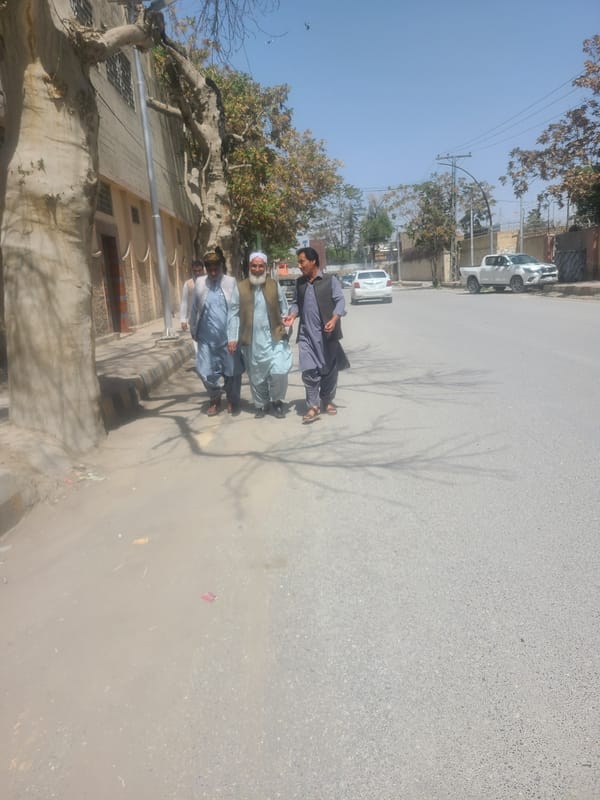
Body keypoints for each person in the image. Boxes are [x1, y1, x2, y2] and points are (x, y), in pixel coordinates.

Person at [283, 247, 348, 424]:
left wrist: (334, 319)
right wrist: (292, 315)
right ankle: (313, 406)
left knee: (329, 371)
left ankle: (327, 400)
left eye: (302, 261)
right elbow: (295, 303)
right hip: (306, 335)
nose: (299, 265)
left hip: (327, 335)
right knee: (308, 370)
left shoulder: (329, 280)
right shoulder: (299, 283)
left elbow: (340, 301)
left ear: (313, 261)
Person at [238, 251, 292, 419]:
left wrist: (287, 319)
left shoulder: (273, 285)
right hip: (252, 339)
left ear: (266, 268)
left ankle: (277, 401)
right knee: (256, 374)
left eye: (261, 266)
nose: (257, 269)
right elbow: (233, 313)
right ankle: (262, 404)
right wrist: (232, 337)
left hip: (275, 337)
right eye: (254, 266)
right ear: (249, 267)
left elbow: (284, 306)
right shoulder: (240, 287)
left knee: (280, 370)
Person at [189, 247, 242, 416]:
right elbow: (193, 308)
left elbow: (235, 311)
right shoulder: (200, 283)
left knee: (232, 372)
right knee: (204, 371)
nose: (213, 272)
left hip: (227, 337)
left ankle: (232, 399)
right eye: (210, 269)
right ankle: (215, 396)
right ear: (206, 268)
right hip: (205, 337)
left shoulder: (230, 282)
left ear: (221, 267)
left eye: (216, 268)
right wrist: (192, 328)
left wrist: (233, 336)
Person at [180, 260, 204, 353]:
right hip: (193, 320)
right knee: (197, 346)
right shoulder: (188, 284)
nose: (197, 273)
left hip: (207, 319)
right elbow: (184, 302)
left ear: (203, 270)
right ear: (192, 271)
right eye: (195, 271)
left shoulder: (208, 282)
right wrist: (183, 320)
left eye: (199, 271)